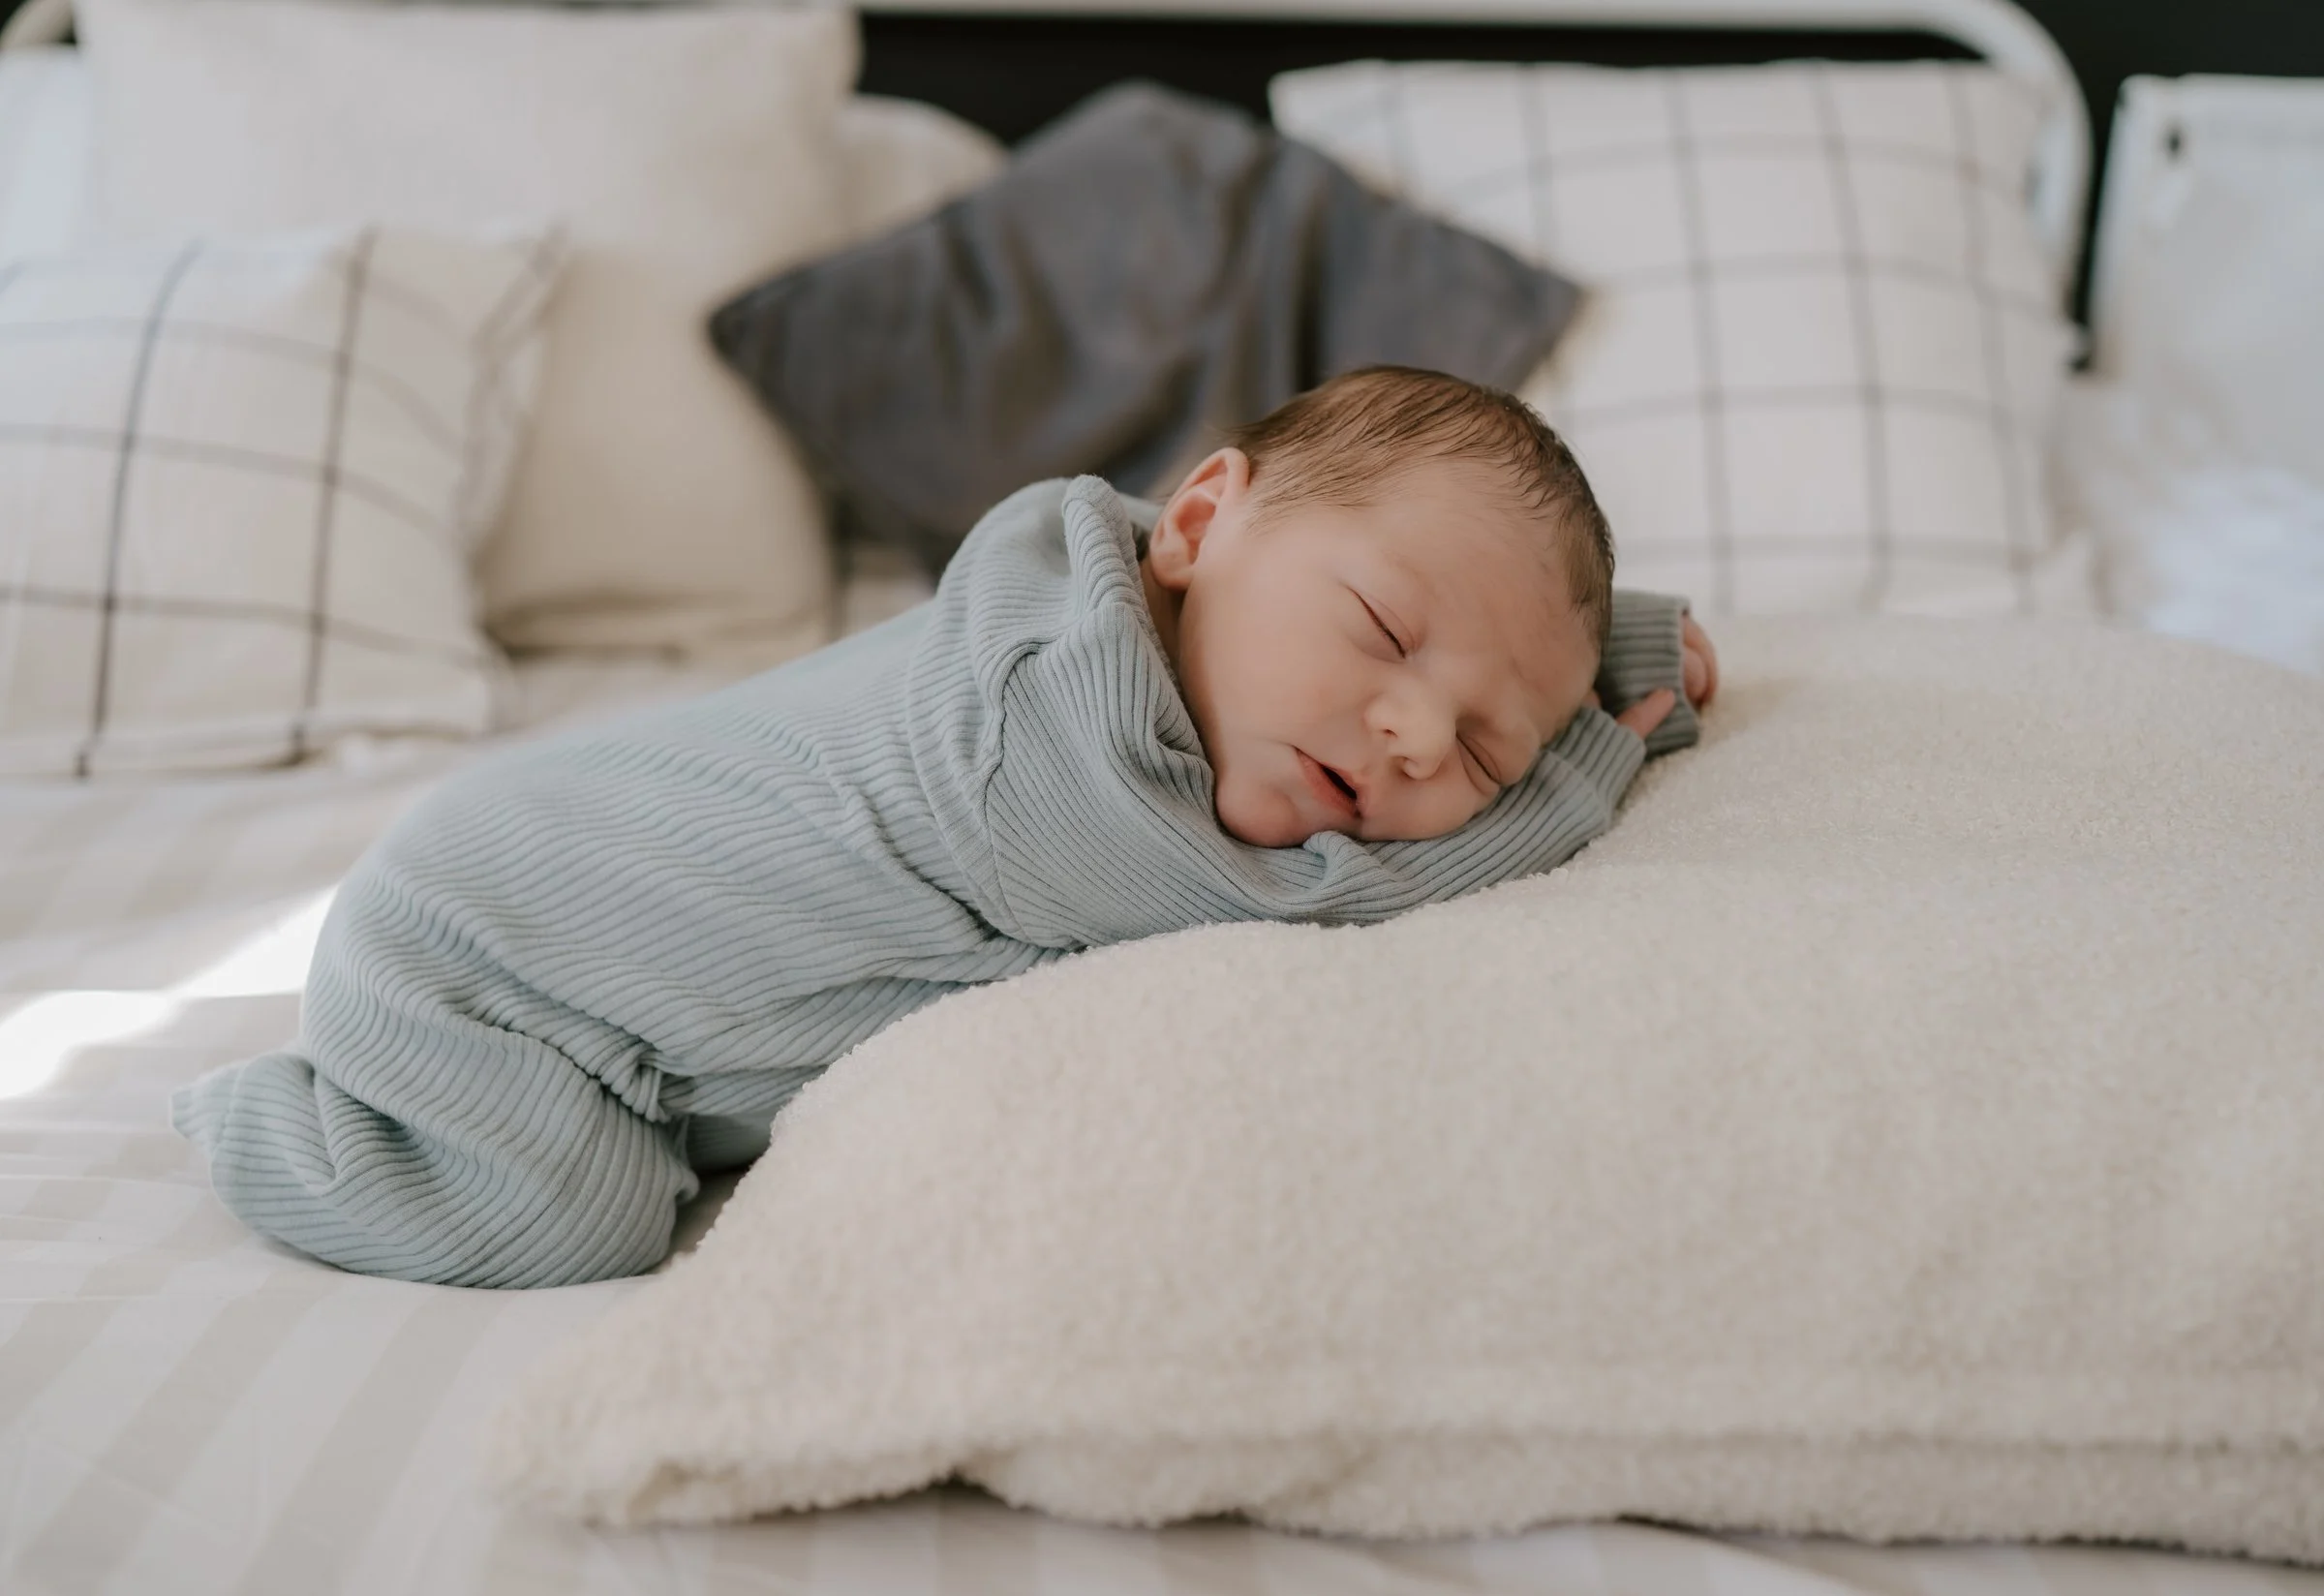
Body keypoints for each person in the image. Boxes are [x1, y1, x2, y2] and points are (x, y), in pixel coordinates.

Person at [171, 366, 1720, 1287]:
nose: (1414, 737)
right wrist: (1574, 777)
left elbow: (1469, 645)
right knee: (576, 1220)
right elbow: (1311, 903)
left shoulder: (1204, 674)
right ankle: (259, 1119)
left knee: (651, 1182)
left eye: (1487, 747)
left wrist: (1595, 657)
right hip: (486, 962)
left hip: (636, 1021)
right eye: (1385, 633)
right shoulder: (1043, 734)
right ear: (1193, 527)